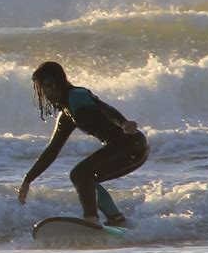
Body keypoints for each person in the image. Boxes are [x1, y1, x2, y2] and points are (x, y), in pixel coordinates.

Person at [18, 61, 149, 226]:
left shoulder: (77, 96)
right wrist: (28, 180)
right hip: (127, 148)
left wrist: (123, 122)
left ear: (58, 82)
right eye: (41, 89)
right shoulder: (67, 115)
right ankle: (116, 219)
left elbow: (104, 108)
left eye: (47, 86)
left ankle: (91, 219)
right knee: (85, 178)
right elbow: (52, 150)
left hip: (130, 143)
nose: (45, 93)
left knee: (80, 174)